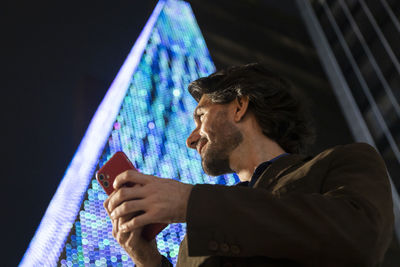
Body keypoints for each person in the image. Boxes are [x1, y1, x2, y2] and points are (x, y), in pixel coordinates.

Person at [104, 63, 394, 266]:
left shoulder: (344, 162)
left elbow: (359, 238)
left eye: (201, 116)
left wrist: (190, 202)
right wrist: (148, 260)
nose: (190, 140)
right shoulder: (192, 243)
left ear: (240, 106)